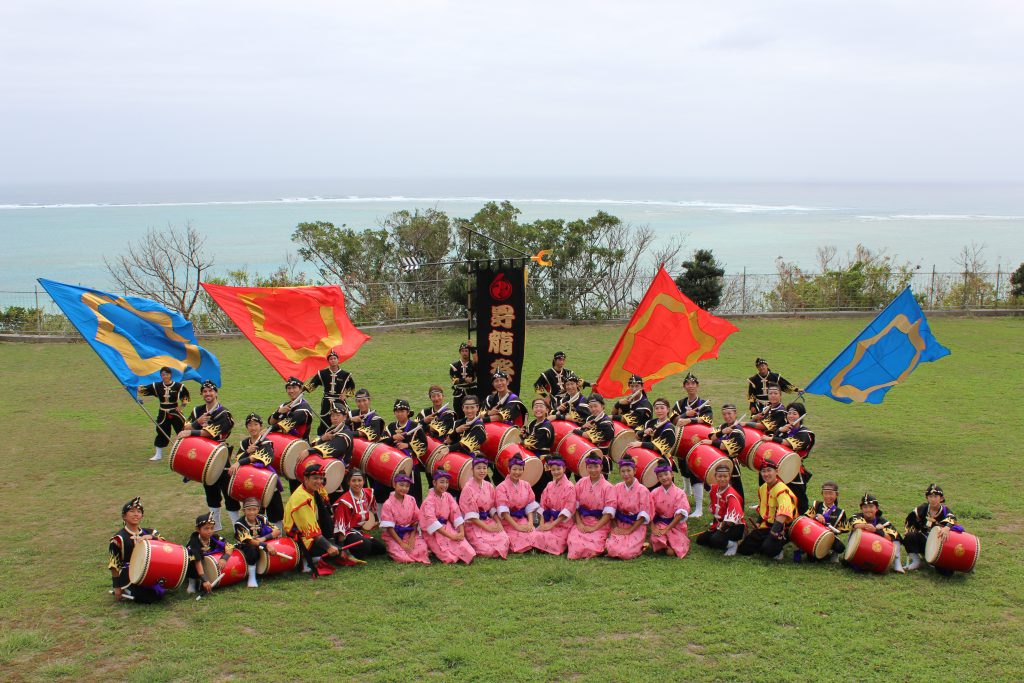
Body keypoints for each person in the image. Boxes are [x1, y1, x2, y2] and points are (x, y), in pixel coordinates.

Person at [181, 380, 236, 530]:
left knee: (228, 490)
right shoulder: (197, 410)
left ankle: (237, 525)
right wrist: (197, 422)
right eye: (204, 391)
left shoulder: (224, 413)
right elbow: (185, 426)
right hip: (203, 456)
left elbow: (210, 433)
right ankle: (215, 526)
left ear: (216, 393)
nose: (208, 394)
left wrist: (192, 430)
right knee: (210, 489)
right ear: (201, 394)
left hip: (220, 454)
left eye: (210, 391)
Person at [283, 463, 346, 577]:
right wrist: (329, 547)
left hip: (310, 530)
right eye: (315, 478)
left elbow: (326, 505)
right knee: (337, 551)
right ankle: (307, 557)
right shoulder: (301, 499)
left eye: (321, 478)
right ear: (306, 479)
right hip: (301, 538)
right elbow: (312, 533)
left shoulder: (312, 489)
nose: (319, 482)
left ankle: (321, 553)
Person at [228, 413, 284, 527]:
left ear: (260, 426)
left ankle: (277, 533)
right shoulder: (245, 443)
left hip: (266, 479)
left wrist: (242, 461)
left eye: (256, 424)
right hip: (250, 480)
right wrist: (247, 452)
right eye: (250, 425)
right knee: (256, 510)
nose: (253, 428)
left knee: (275, 511)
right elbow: (238, 457)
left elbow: (263, 458)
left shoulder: (266, 442)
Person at [107, 497, 165, 603]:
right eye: (132, 511)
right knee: (149, 598)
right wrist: (117, 587)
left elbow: (166, 547)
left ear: (142, 516)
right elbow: (114, 565)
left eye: (139, 511)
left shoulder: (151, 532)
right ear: (124, 516)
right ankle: (127, 589)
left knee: (160, 593)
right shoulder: (118, 539)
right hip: (129, 575)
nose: (136, 514)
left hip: (149, 571)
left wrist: (153, 538)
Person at [738, 457, 797, 560]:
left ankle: (778, 546)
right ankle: (766, 542)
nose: (766, 474)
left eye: (769, 470)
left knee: (768, 550)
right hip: (766, 525)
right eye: (763, 471)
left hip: (782, 528)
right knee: (743, 549)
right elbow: (763, 508)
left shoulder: (782, 490)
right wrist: (758, 522)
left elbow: (784, 513)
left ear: (776, 472)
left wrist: (773, 532)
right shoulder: (762, 488)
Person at [902, 484, 964, 572]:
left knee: (946, 572)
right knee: (909, 536)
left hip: (940, 544)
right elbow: (910, 520)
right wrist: (909, 531)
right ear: (927, 498)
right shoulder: (922, 509)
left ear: (941, 498)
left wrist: (947, 528)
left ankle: (934, 560)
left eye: (936, 496)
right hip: (924, 540)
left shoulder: (945, 511)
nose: (933, 499)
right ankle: (916, 561)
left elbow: (952, 519)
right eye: (930, 496)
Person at [566, 454, 616, 560]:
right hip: (583, 520)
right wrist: (579, 523)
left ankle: (596, 548)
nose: (593, 470)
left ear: (601, 467)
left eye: (596, 467)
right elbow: (574, 505)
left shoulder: (608, 487)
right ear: (586, 467)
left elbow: (608, 513)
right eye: (590, 467)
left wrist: (594, 527)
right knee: (573, 541)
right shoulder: (580, 483)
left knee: (593, 543)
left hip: (600, 523)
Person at [460, 457, 511, 559]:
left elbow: (492, 508)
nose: (482, 471)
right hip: (474, 524)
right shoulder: (467, 488)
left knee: (505, 539)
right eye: (478, 468)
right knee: (487, 550)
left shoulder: (489, 486)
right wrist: (488, 528)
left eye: (484, 468)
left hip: (488, 520)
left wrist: (498, 523)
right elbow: (471, 516)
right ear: (472, 470)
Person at [421, 471, 476, 564]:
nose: (445, 485)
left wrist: (461, 532)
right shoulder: (428, 501)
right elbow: (431, 521)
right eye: (442, 482)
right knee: (449, 558)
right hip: (433, 533)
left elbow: (456, 513)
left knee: (469, 553)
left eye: (447, 482)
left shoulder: (448, 496)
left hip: (448, 527)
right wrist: (451, 536)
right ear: (434, 483)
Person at [770, 402, 815, 514]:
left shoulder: (806, 434)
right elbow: (774, 446)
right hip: (779, 468)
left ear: (801, 416)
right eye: (789, 413)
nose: (791, 416)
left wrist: (772, 438)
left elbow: (788, 443)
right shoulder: (785, 430)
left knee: (798, 498)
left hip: (795, 470)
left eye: (794, 413)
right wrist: (779, 431)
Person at [138, 366, 190, 461]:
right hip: (162, 412)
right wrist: (130, 387)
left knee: (182, 430)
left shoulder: (178, 386)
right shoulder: (157, 386)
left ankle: (186, 451)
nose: (164, 376)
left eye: (166, 374)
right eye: (162, 374)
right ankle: (158, 454)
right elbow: (143, 390)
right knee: (161, 430)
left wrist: (181, 407)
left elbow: (185, 397)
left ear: (170, 375)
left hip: (175, 412)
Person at [605, 455, 652, 560]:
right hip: (620, 524)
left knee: (625, 553)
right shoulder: (616, 487)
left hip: (636, 526)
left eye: (628, 470)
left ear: (634, 470)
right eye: (623, 471)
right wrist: (615, 527)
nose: (626, 474)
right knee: (611, 549)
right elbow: (611, 509)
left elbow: (643, 515)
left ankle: (639, 547)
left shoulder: (643, 490)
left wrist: (630, 530)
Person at [333, 469, 386, 559]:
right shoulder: (344, 501)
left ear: (364, 481)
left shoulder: (369, 493)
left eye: (359, 480)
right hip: (347, 533)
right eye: (354, 481)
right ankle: (349, 550)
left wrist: (375, 521)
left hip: (359, 531)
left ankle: (361, 546)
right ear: (348, 482)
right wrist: (341, 548)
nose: (357, 484)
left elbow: (373, 510)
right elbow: (340, 527)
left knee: (381, 549)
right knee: (366, 545)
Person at [700, 403, 747, 505]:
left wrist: (712, 443)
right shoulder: (723, 426)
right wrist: (722, 432)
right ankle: (721, 516)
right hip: (719, 463)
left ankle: (737, 516)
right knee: (720, 492)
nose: (727, 416)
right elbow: (711, 436)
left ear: (735, 414)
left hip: (731, 466)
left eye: (729, 413)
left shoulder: (738, 431)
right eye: (724, 414)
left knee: (735, 491)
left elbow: (726, 446)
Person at [380, 473, 431, 564]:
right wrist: (401, 543)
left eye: (407, 486)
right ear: (394, 484)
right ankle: (393, 550)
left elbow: (415, 521)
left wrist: (411, 538)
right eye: (401, 485)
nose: (404, 488)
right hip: (394, 535)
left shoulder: (411, 499)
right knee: (402, 556)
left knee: (422, 549)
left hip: (409, 532)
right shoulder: (387, 504)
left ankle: (414, 552)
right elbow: (390, 528)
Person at [384, 399, 428, 503]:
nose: (399, 414)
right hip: (394, 466)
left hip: (411, 467)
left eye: (402, 411)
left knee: (413, 495)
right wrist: (393, 437)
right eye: (397, 411)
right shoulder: (390, 427)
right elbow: (381, 442)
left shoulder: (415, 427)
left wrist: (407, 445)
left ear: (408, 413)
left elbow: (424, 445)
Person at [695, 464, 745, 556]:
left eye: (725, 476)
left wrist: (719, 529)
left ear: (729, 477)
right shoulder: (714, 488)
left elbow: (731, 521)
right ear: (715, 477)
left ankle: (733, 544)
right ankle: (722, 539)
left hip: (734, 526)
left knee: (715, 540)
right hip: (720, 524)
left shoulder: (731, 494)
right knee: (701, 540)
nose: (722, 479)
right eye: (720, 476)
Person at [495, 454, 541, 553]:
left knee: (535, 535)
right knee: (517, 537)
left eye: (520, 469)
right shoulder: (501, 487)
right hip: (508, 522)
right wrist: (517, 527)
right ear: (509, 469)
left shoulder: (526, 485)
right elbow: (504, 512)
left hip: (522, 520)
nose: (517, 472)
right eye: (514, 469)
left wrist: (530, 523)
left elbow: (530, 506)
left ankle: (530, 546)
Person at [531, 456, 577, 556]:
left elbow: (568, 509)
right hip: (550, 520)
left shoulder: (570, 487)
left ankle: (547, 546)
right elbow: (543, 506)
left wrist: (552, 525)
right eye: (553, 470)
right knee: (535, 534)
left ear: (564, 469)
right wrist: (542, 524)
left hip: (563, 524)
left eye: (558, 469)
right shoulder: (549, 485)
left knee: (552, 539)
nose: (556, 472)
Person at [848, 493, 904, 573]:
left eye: (871, 507)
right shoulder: (857, 516)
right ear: (861, 509)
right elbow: (856, 526)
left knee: (896, 539)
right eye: (865, 507)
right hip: (860, 549)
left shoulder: (883, 522)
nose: (868, 510)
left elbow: (890, 538)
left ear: (876, 508)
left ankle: (897, 562)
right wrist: (869, 527)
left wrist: (876, 531)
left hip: (876, 549)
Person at [303, 350, 355, 437]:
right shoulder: (322, 373)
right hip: (326, 401)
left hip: (339, 401)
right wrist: (303, 389)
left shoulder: (345, 375)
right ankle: (320, 438)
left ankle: (347, 436)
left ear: (338, 360)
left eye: (335, 358)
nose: (333, 360)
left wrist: (345, 394)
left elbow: (352, 387)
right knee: (324, 420)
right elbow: (312, 384)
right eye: (331, 359)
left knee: (347, 418)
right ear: (328, 361)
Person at [233, 497, 282, 588]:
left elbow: (277, 531)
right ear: (244, 511)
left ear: (258, 509)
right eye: (249, 510)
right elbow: (248, 541)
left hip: (261, 542)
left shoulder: (262, 518)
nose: (252, 512)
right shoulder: (239, 524)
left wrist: (263, 539)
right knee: (251, 549)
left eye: (254, 509)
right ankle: (252, 577)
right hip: (246, 546)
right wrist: (265, 545)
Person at [185, 512, 237, 594]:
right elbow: (197, 562)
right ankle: (192, 582)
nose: (210, 531)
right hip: (196, 562)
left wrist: (224, 558)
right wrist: (205, 580)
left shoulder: (215, 537)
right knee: (192, 561)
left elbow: (229, 547)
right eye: (206, 528)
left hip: (208, 559)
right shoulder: (194, 542)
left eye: (212, 528)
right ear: (198, 529)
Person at [649, 458, 691, 558]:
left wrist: (667, 529)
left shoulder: (680, 493)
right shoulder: (654, 493)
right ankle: (664, 545)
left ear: (672, 474)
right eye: (660, 476)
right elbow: (649, 511)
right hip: (660, 524)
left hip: (676, 526)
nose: (664, 478)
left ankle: (667, 546)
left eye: (666, 474)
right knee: (655, 538)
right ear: (657, 478)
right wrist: (653, 528)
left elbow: (680, 515)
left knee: (672, 551)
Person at [799, 481, 849, 563]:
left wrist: (834, 530)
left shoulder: (840, 512)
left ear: (836, 495)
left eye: (831, 494)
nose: (828, 496)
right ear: (822, 494)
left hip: (829, 537)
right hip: (813, 536)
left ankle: (832, 553)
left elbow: (844, 529)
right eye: (825, 493)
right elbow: (805, 518)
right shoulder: (816, 505)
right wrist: (816, 517)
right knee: (812, 559)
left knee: (840, 547)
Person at [522, 398, 555, 497]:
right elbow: (527, 436)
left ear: (547, 410)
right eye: (536, 406)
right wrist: (523, 434)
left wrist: (521, 440)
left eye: (541, 406)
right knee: (530, 487)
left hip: (542, 462)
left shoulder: (546, 427)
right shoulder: (532, 423)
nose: (538, 409)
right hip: (532, 459)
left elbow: (531, 443)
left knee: (541, 490)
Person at [575, 394, 616, 468]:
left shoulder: (607, 423)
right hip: (587, 456)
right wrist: (583, 427)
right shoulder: (590, 418)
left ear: (602, 406)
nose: (593, 409)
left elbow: (590, 437)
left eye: (595, 406)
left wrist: (576, 431)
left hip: (601, 459)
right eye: (590, 407)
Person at [269, 377, 315, 441]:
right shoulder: (284, 405)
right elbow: (271, 421)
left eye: (294, 387)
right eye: (289, 388)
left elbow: (286, 425)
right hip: (285, 441)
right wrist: (278, 412)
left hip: (299, 444)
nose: (291, 391)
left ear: (300, 389)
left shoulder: (304, 409)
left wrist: (268, 430)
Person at [449, 342, 477, 419]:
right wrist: (464, 380)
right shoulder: (454, 365)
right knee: (458, 413)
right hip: (459, 393)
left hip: (472, 391)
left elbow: (476, 361)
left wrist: (472, 349)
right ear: (460, 352)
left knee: (474, 413)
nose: (465, 353)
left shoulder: (473, 364)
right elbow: (454, 380)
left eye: (466, 351)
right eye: (463, 351)